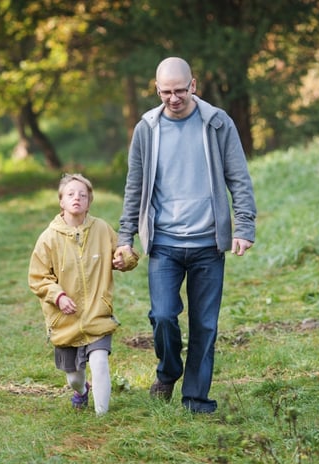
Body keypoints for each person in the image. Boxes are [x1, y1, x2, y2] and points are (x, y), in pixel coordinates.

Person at [113, 57, 257, 414]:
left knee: (205, 325)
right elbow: (134, 186)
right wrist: (125, 236)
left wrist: (245, 226)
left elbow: (238, 178)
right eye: (166, 92)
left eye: (180, 90)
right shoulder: (146, 128)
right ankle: (169, 370)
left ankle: (196, 400)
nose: (173, 98)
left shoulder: (218, 122)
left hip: (208, 242)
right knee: (162, 316)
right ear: (156, 88)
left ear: (193, 85)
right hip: (164, 243)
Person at [29, 173, 137, 416]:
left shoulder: (102, 230)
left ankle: (102, 418)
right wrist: (58, 296)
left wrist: (125, 259)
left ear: (89, 202)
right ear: (61, 202)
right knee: (73, 378)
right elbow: (37, 277)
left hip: (97, 314)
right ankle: (81, 391)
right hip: (65, 320)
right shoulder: (48, 238)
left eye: (83, 195)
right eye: (71, 194)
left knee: (99, 363)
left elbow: (124, 251)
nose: (77, 198)